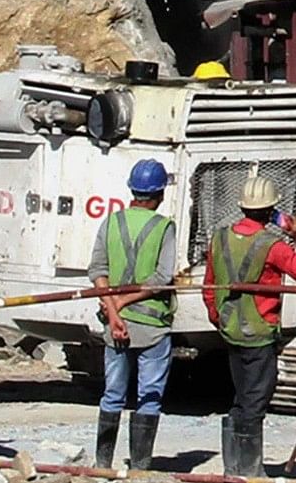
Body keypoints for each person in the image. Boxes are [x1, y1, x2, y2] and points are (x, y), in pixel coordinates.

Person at [204, 171, 296, 481]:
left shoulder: (220, 237)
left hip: (230, 329)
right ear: (271, 211)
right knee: (256, 400)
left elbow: (210, 285)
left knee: (241, 398)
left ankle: (234, 468)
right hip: (259, 332)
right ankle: (251, 471)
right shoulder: (273, 245)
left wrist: (218, 316)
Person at [90, 159, 180, 473]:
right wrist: (126, 301)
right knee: (149, 398)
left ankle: (102, 466)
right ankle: (140, 469)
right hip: (153, 327)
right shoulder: (164, 227)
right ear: (159, 194)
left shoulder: (111, 222)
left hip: (115, 325)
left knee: (112, 394)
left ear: (132, 190)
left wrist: (114, 311)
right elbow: (162, 278)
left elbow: (98, 272)